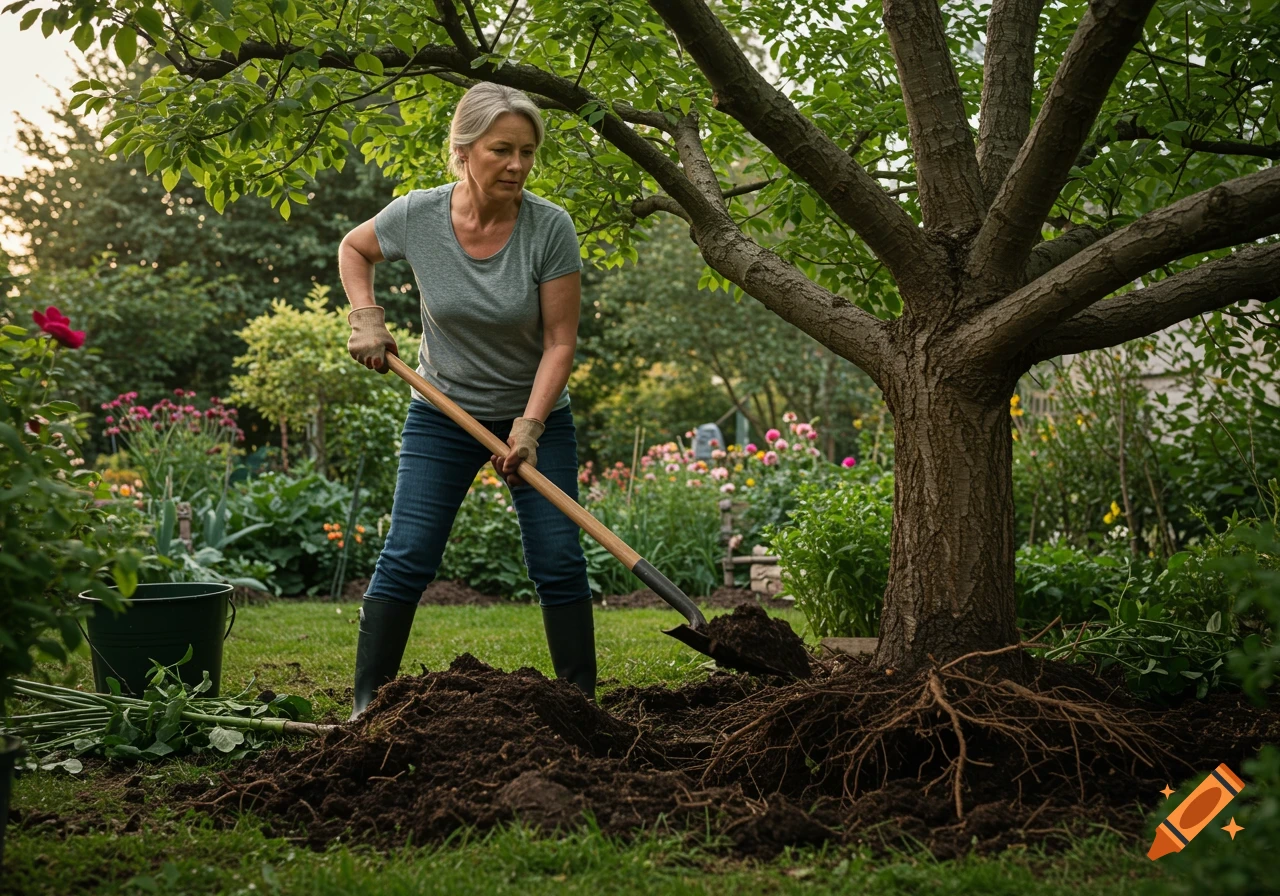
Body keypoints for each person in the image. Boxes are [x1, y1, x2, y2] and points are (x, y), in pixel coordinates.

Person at [336, 83, 593, 719]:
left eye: (528, 152)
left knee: (559, 559)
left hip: (534, 416)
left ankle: (582, 705)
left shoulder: (548, 227)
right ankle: (368, 704)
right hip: (443, 411)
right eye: (502, 149)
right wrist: (365, 315)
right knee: (409, 552)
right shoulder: (417, 216)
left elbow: (560, 343)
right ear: (464, 150)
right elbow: (354, 247)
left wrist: (529, 427)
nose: (518, 164)